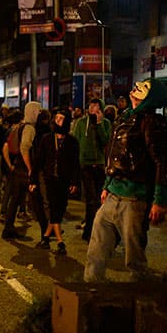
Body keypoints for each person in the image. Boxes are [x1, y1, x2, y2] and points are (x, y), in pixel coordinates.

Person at [84, 78, 167, 282]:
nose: (135, 90)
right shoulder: (126, 118)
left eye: (143, 89)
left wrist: (159, 200)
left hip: (135, 198)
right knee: (96, 250)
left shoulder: (152, 123)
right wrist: (107, 185)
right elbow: (114, 153)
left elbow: (162, 162)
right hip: (114, 194)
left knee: (134, 259)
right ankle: (90, 293)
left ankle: (141, 301)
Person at [33, 107, 80, 254]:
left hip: (64, 180)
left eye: (61, 119)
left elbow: (75, 163)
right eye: (56, 118)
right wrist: (33, 180)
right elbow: (39, 160)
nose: (58, 121)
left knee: (60, 208)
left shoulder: (72, 141)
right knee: (54, 208)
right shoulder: (47, 139)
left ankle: (46, 238)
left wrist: (74, 182)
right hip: (49, 179)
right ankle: (60, 242)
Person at [69, 98, 111, 242]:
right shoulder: (81, 123)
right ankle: (89, 230)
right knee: (90, 199)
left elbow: (105, 141)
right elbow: (75, 142)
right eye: (91, 105)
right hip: (85, 165)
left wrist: (99, 124)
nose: (93, 108)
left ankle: (97, 228)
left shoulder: (105, 123)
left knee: (98, 199)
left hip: (99, 164)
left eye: (96, 106)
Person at [1, 101, 41, 240]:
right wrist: (31, 169)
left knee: (15, 198)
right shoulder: (29, 128)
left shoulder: (18, 126)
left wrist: (11, 164)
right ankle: (47, 229)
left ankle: (8, 228)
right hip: (24, 167)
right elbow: (25, 148)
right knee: (36, 197)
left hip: (16, 165)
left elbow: (6, 146)